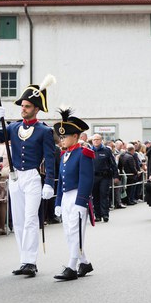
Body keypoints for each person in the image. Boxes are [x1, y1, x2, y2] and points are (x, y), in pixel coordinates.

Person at [0, 77, 56, 277]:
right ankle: (23, 259)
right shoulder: (14, 128)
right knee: (17, 221)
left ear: (36, 109)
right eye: (22, 106)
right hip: (15, 177)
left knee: (30, 220)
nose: (23, 109)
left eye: (27, 106)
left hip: (33, 177)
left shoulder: (44, 131)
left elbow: (50, 159)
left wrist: (49, 183)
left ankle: (31, 261)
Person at [53, 108, 95, 281]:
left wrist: (81, 201)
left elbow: (86, 179)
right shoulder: (64, 154)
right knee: (69, 232)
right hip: (66, 197)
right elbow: (60, 181)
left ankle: (71, 267)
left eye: (65, 136)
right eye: (61, 136)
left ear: (76, 136)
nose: (62, 139)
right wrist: (57, 202)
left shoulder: (83, 153)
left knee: (75, 231)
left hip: (78, 196)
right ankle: (84, 263)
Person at [91, 134, 118, 222]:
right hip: (94, 176)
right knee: (95, 196)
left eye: (97, 139)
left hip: (105, 176)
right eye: (94, 140)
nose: (95, 141)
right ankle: (97, 215)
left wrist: (115, 176)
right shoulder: (89, 151)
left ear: (101, 140)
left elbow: (113, 164)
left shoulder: (107, 150)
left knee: (104, 195)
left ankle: (105, 214)